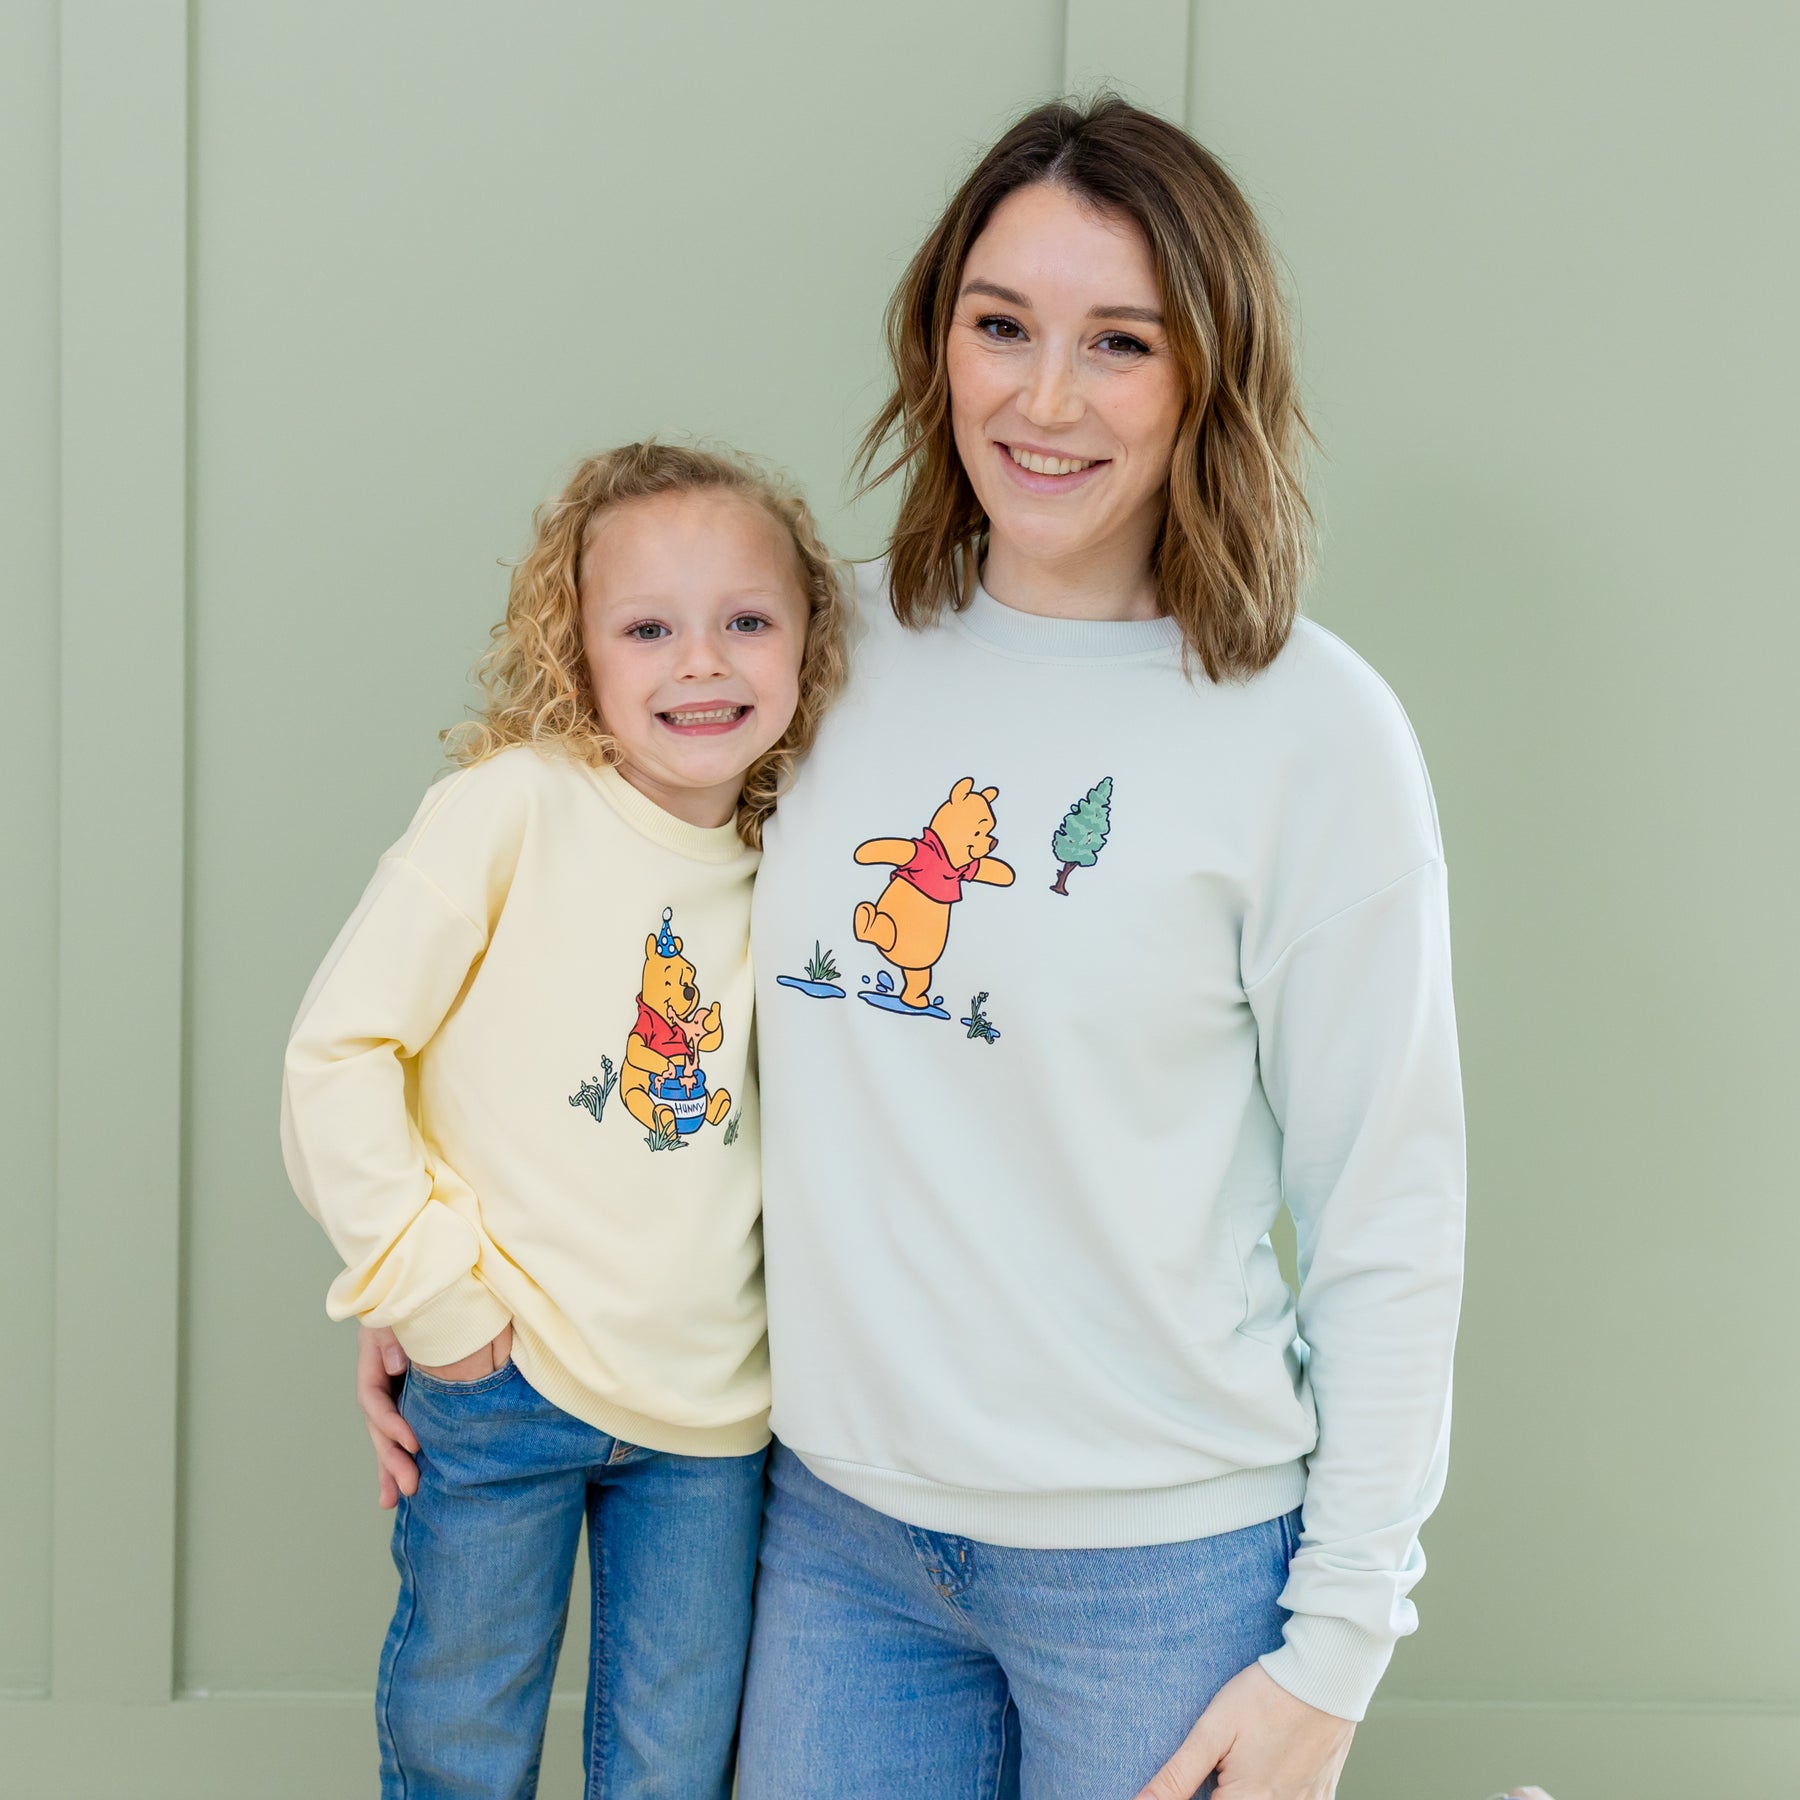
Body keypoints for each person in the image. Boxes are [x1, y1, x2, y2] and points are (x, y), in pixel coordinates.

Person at [362, 95, 1464, 1800]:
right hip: (833, 1553)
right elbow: (593, 946)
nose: (1045, 397)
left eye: (1119, 343)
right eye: (1000, 326)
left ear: (1207, 373)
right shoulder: (807, 649)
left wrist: (1341, 1645)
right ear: (937, 339)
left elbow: (1389, 1203)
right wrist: (428, 1256)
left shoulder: (1315, 730)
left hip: (1161, 1571)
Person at [284, 441, 845, 1799]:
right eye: (648, 628)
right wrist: (432, 1300)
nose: (700, 664)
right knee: (462, 1736)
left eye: (746, 622)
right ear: (576, 650)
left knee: (671, 1762)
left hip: (713, 1419)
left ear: (808, 642)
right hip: (503, 1379)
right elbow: (336, 1051)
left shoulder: (804, 854)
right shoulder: (511, 812)